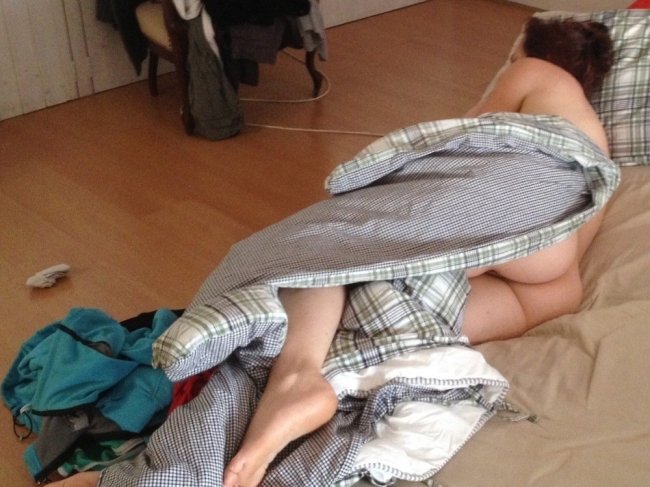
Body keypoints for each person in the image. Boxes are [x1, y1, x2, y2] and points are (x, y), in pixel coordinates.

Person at [48, 16, 614, 487]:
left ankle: (295, 373)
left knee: (338, 244)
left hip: (519, 188)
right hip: (553, 266)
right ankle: (346, 363)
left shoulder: (535, 70)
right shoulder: (598, 139)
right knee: (404, 295)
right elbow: (582, 225)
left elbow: (459, 136)